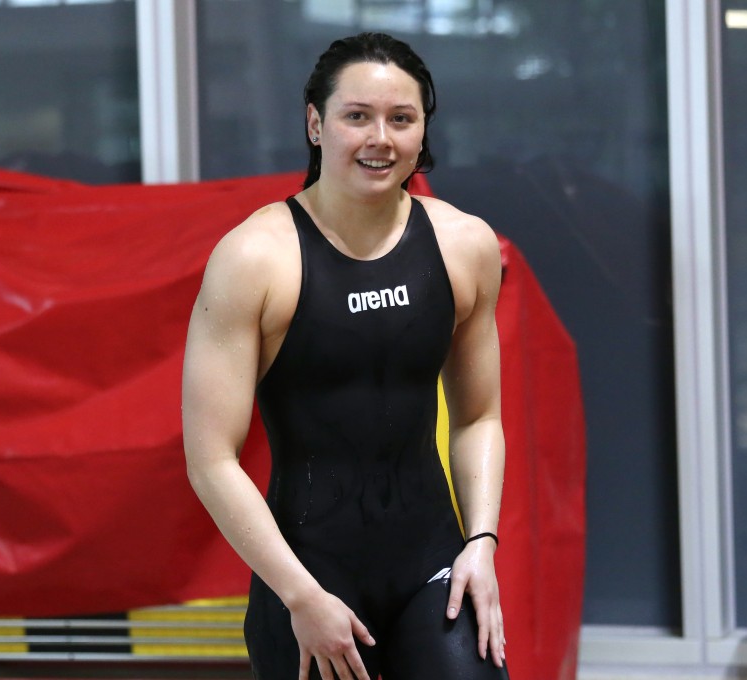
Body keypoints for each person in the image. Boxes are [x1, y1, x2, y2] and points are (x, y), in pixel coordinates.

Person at [182, 32, 509, 680]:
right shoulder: (255, 258)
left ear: (423, 130)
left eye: (401, 119)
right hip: (307, 574)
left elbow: (479, 418)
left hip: (435, 568)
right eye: (357, 115)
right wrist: (299, 596)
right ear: (315, 122)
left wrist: (482, 544)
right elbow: (211, 461)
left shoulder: (463, 245)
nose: (379, 138)